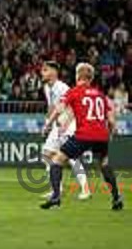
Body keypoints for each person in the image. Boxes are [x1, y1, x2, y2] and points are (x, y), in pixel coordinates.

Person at [41, 63, 123, 211]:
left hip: (84, 134)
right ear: (91, 78)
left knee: (57, 160)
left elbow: (59, 108)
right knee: (104, 164)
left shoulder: (74, 91)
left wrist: (48, 124)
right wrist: (110, 133)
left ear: (78, 76)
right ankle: (116, 198)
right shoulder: (100, 94)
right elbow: (111, 120)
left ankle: (56, 197)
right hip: (101, 135)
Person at [40, 61, 90, 200]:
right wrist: (48, 123)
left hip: (69, 123)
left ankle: (86, 189)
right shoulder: (46, 87)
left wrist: (65, 126)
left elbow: (72, 107)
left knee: (71, 157)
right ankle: (57, 189)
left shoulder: (63, 87)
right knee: (46, 154)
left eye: (45, 70)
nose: (41, 73)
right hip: (58, 125)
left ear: (54, 72)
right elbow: (52, 107)